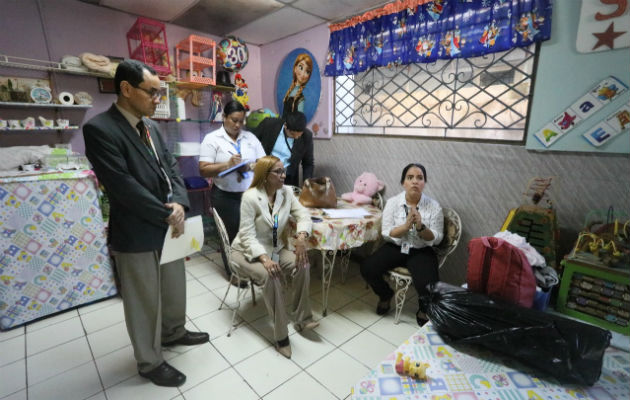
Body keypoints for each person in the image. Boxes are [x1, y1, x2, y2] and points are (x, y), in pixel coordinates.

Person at [83, 59, 208, 387]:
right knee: (143, 299)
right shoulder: (100, 129)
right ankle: (150, 361)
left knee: (173, 286)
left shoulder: (151, 128)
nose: (158, 99)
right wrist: (165, 212)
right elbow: (122, 185)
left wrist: (180, 203)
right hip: (138, 230)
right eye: (152, 92)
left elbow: (171, 167)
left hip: (169, 225)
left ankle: (173, 332)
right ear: (126, 89)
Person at [231, 155, 318, 358]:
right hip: (245, 251)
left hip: (275, 248)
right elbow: (246, 235)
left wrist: (302, 237)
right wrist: (264, 259)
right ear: (265, 175)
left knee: (303, 264)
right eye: (278, 171)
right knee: (272, 275)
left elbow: (303, 215)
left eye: (283, 170)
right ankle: (281, 336)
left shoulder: (286, 192)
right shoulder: (250, 197)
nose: (283, 175)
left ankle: (302, 317)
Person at [360, 163, 443, 326]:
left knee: (429, 286)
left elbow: (438, 238)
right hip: (397, 247)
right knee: (367, 268)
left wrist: (421, 227)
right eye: (410, 177)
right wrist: (405, 227)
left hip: (421, 249)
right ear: (403, 182)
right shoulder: (393, 203)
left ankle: (423, 309)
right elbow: (386, 232)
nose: (415, 182)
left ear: (424, 183)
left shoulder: (434, 207)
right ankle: (385, 294)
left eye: (420, 178)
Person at [199, 100, 266, 279]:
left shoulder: (250, 138)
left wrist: (250, 166)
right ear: (224, 117)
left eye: (241, 121)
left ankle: (250, 269)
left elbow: (263, 162)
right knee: (231, 235)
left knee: (250, 233)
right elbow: (203, 169)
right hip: (225, 196)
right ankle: (234, 274)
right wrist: (227, 164)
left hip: (249, 194)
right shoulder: (212, 139)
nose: (238, 125)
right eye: (234, 120)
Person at [252, 111, 314, 187]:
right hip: (265, 173)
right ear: (285, 126)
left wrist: (307, 181)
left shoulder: (307, 136)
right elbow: (251, 142)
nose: (296, 137)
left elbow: (308, 163)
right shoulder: (269, 124)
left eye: (299, 136)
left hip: (287, 177)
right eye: (292, 135)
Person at [281, 53, 312, 120]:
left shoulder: (301, 99)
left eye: (307, 71)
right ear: (295, 68)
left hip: (292, 129)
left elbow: (299, 122)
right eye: (301, 67)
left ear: (309, 76)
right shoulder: (290, 91)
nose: (303, 74)